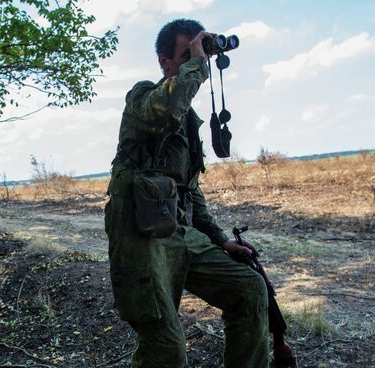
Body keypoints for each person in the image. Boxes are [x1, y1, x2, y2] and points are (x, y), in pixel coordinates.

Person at [104, 19, 269, 368]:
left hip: (182, 233)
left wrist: (220, 239)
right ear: (165, 62)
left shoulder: (189, 120)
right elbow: (163, 111)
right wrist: (196, 64)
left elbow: (190, 191)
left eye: (201, 53)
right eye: (187, 54)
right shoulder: (142, 98)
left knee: (250, 289)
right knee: (166, 347)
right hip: (141, 238)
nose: (199, 61)